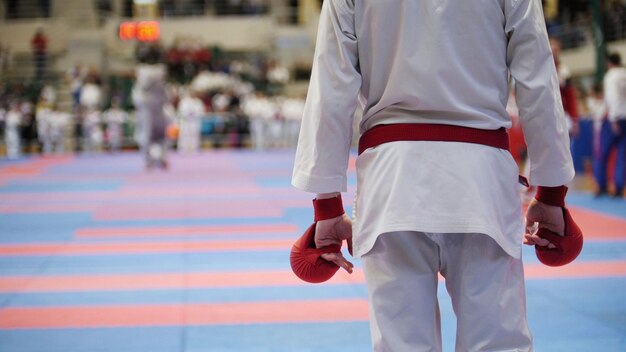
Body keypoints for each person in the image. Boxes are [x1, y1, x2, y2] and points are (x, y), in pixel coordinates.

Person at [292, 1, 574, 351]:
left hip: (393, 181)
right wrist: (551, 193)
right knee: (497, 343)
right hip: (480, 180)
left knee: (402, 345)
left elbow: (331, 89)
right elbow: (537, 81)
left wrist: (327, 204)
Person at [597, 52, 626, 198]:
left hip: (614, 119)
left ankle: (602, 186)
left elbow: (612, 97)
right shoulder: (624, 74)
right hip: (625, 118)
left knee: (603, 154)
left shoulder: (611, 76)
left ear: (609, 63)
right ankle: (619, 188)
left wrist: (612, 118)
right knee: (622, 155)